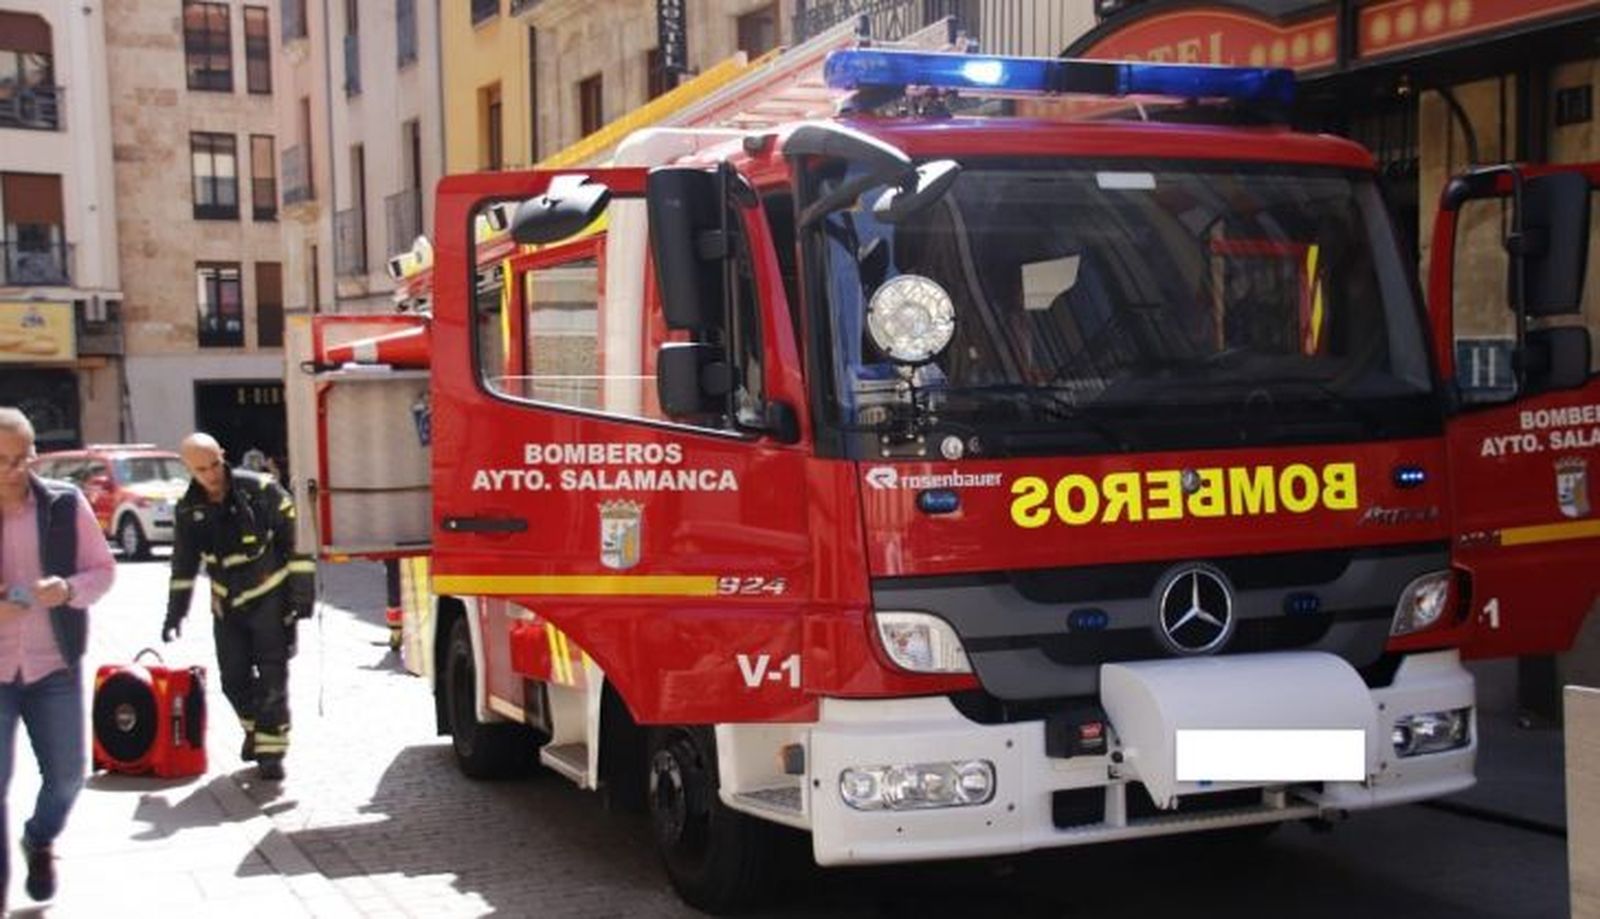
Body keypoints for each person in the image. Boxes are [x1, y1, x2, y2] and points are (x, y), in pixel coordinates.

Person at [0, 407, 116, 911]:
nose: (12, 469)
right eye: (1, 460)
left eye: (20, 457)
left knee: (68, 774)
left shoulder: (65, 506)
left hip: (54, 666)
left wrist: (67, 589)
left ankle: (40, 838)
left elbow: (103, 571)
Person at [164, 433, 314, 781]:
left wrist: (301, 597)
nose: (212, 474)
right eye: (201, 469)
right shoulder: (188, 510)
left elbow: (298, 542)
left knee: (273, 675)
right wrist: (175, 612)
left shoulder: (261, 490)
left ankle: (271, 753)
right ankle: (255, 729)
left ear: (223, 456)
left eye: (215, 464)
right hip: (226, 603)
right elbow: (183, 566)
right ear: (189, 470)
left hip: (270, 596)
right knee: (233, 679)